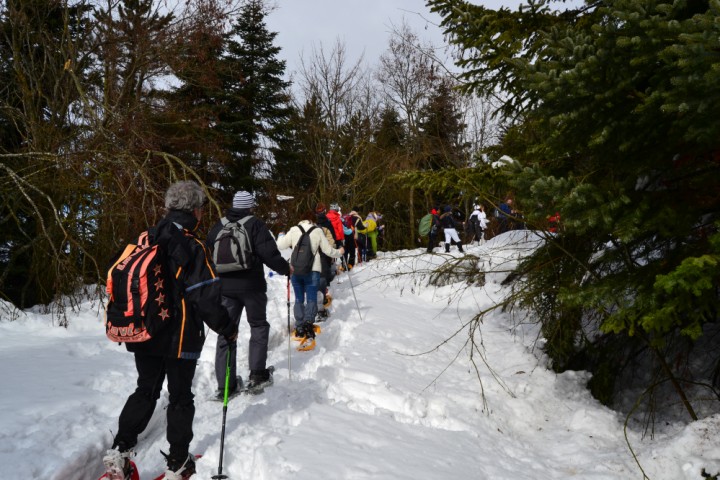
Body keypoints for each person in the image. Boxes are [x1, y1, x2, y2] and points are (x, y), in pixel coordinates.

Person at [103, 181, 238, 480]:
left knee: (145, 389)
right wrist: (227, 328)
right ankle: (178, 461)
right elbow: (205, 296)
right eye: (200, 208)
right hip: (180, 338)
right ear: (194, 211)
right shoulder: (192, 245)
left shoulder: (144, 237)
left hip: (145, 331)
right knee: (179, 397)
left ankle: (119, 453)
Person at [206, 190, 291, 397]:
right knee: (258, 325)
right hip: (252, 287)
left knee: (227, 331)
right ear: (250, 206)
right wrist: (285, 269)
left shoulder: (219, 225)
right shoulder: (255, 224)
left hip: (225, 288)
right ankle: (257, 375)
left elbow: (209, 251)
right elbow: (269, 254)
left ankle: (225, 384)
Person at [276, 211, 344, 341]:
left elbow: (280, 245)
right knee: (312, 298)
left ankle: (300, 325)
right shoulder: (317, 231)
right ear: (313, 220)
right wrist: (339, 252)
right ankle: (308, 323)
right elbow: (328, 250)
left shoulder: (294, 229)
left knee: (299, 299)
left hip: (295, 270)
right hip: (313, 270)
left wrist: (280, 235)